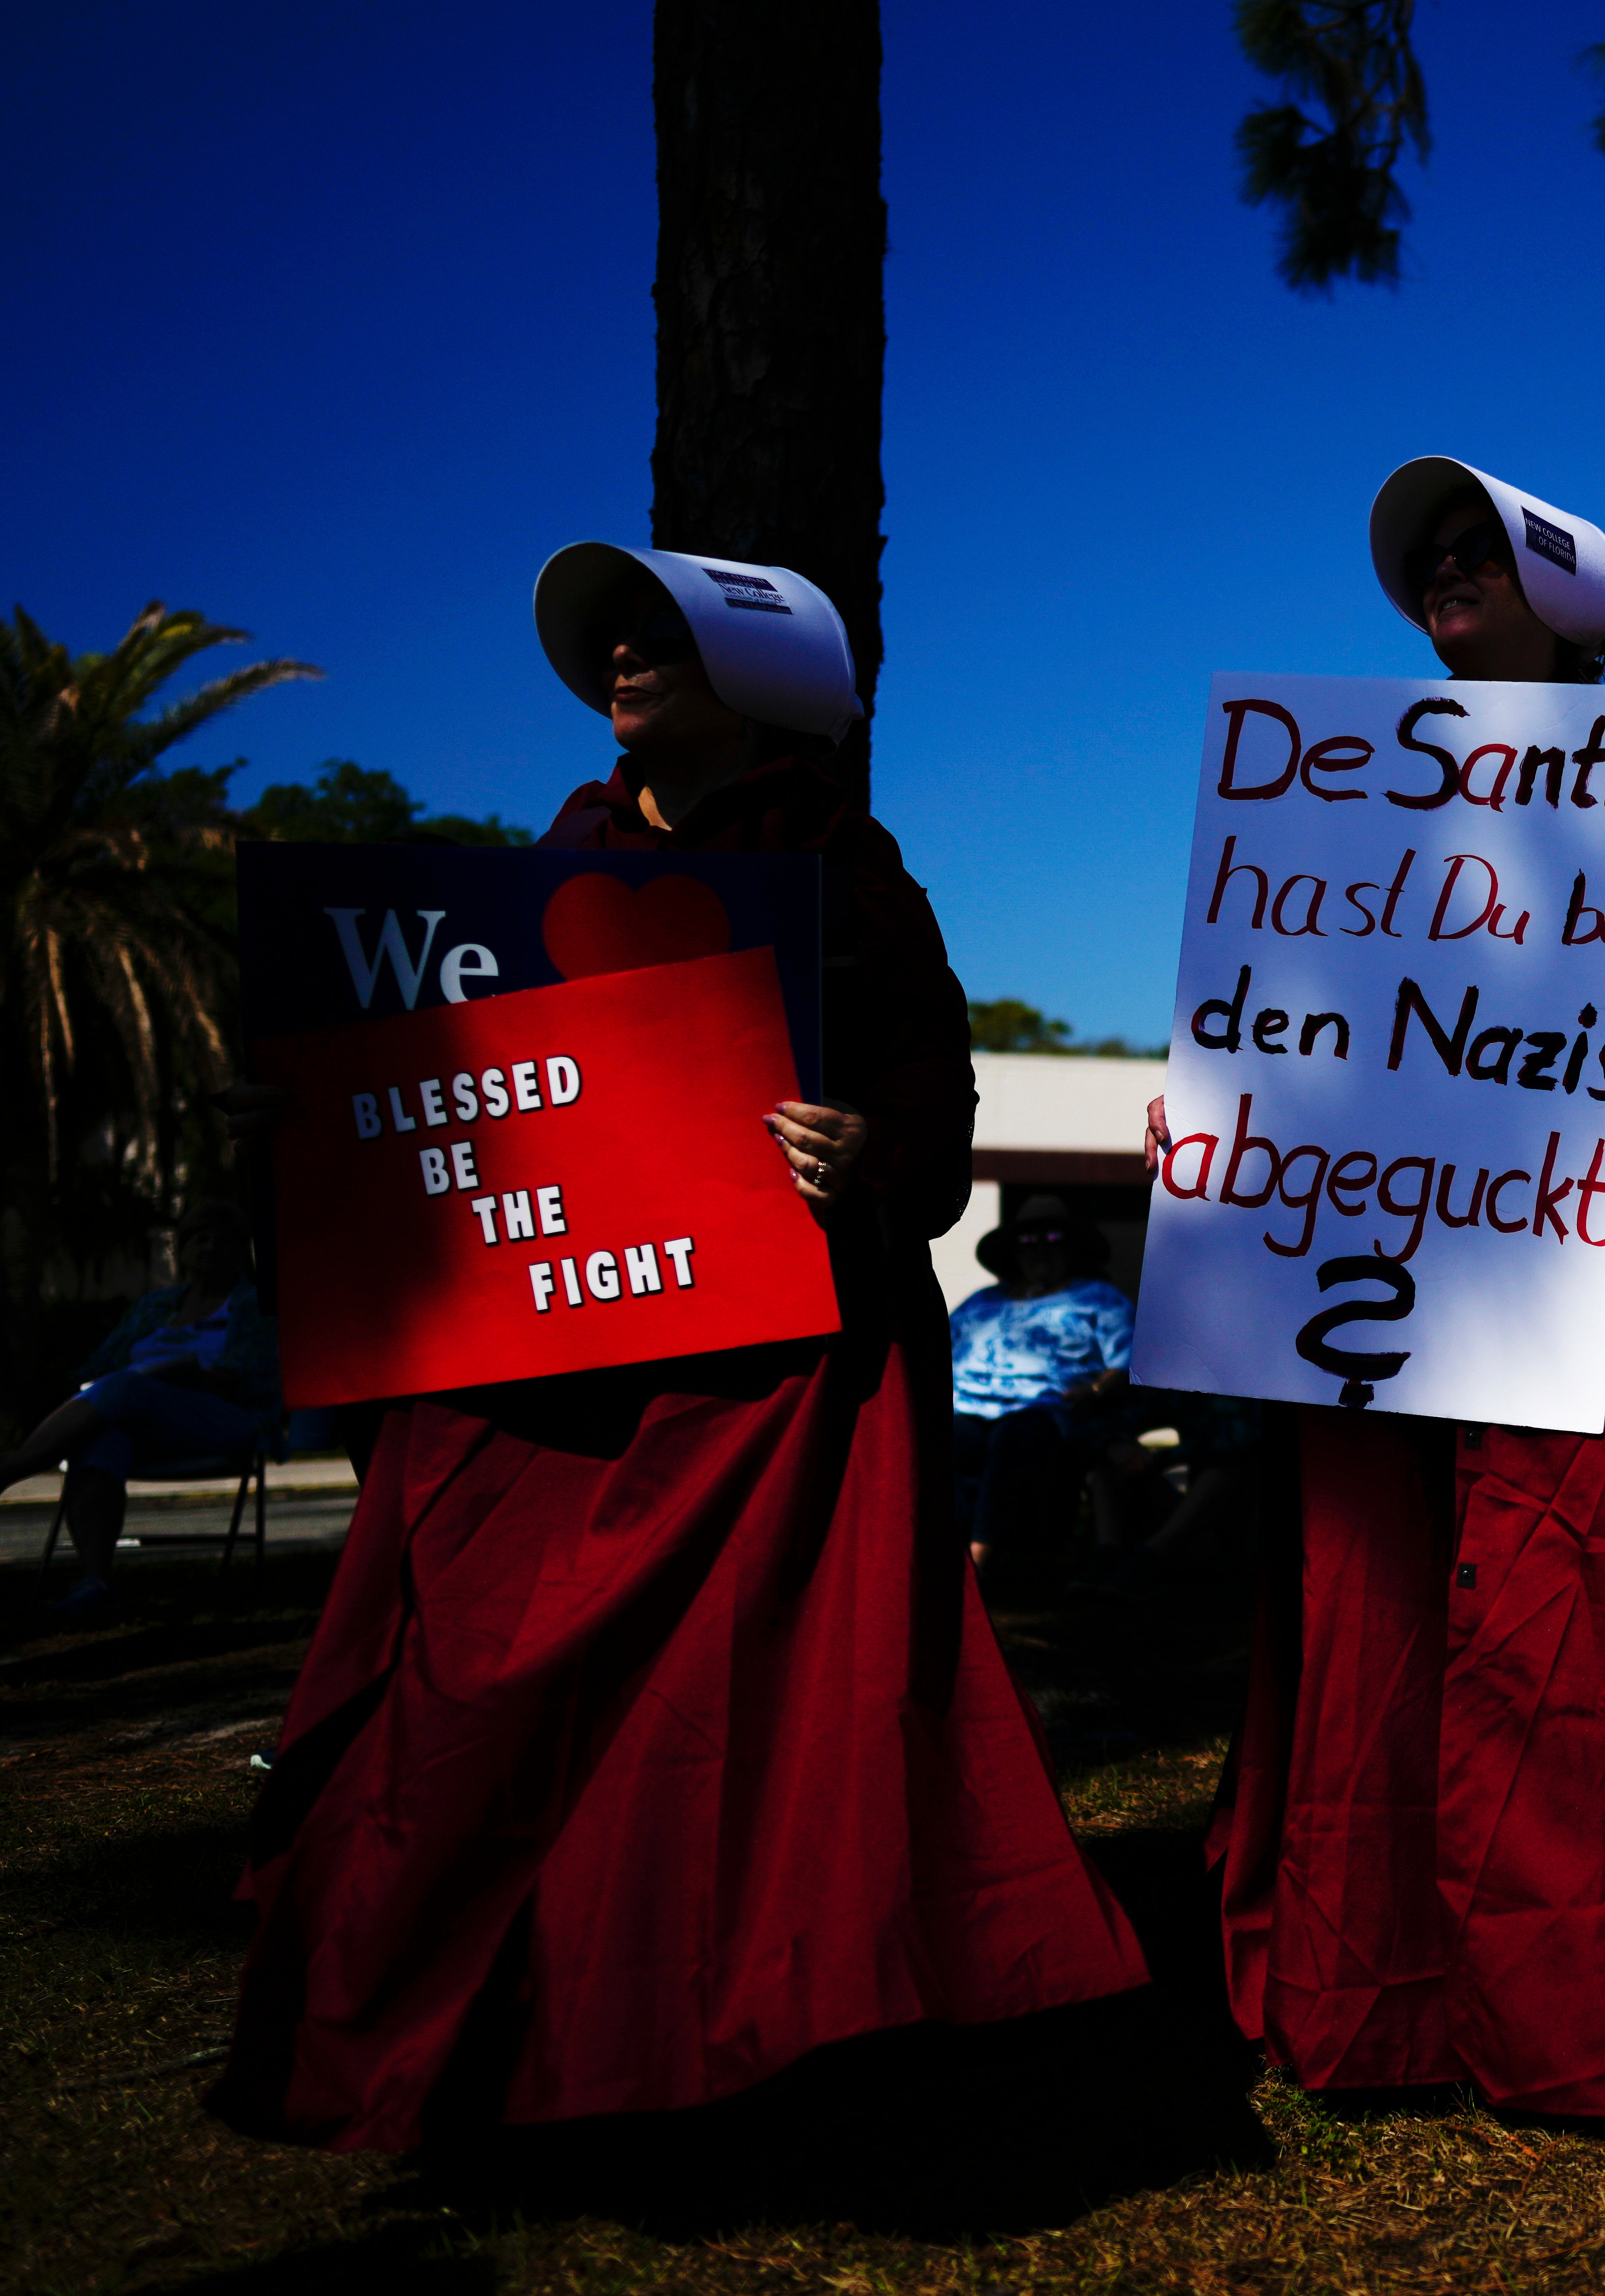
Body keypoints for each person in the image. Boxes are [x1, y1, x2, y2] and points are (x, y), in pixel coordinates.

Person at [209, 544, 1146, 2154]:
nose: (626, 656)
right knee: (486, 1677)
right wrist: (308, 1124)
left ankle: (733, 2033)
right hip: (547, 1378)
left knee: (740, 1706)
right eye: (615, 638)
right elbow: (458, 1103)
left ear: (756, 675)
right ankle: (467, 2031)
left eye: (665, 635)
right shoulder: (546, 865)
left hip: (770, 1374)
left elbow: (933, 1107)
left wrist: (869, 1150)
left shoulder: (849, 872)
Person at [1158, 458, 1605, 2118]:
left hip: (1578, 1269)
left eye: (1480, 552)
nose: (1445, 572)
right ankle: (1374, 1995)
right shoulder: (1347, 782)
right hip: (1381, 1275)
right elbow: (1292, 1007)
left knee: (1584, 1605)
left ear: (1563, 596)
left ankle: (1602, 2011)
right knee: (1375, 1616)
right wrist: (1220, 1116)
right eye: (1430, 557)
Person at [0, 1204, 273, 1620]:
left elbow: (245, 1378)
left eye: (222, 1240)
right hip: (146, 1422)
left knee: (126, 1386)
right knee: (103, 1436)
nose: (210, 1248)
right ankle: (95, 1583)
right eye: (200, 1239)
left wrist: (171, 1381)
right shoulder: (155, 1307)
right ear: (183, 1249)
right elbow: (96, 1368)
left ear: (241, 1250)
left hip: (223, 1419)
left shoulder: (253, 1306)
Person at [947, 1192, 1136, 1566]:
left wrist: (1096, 1391)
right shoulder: (983, 1302)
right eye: (1029, 1241)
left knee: (1017, 1438)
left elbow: (1129, 1360)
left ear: (1071, 1248)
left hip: (1045, 1410)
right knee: (937, 1441)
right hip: (966, 1407)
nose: (1040, 1251)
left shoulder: (1099, 1299)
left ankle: (983, 1557)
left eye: (1052, 1239)